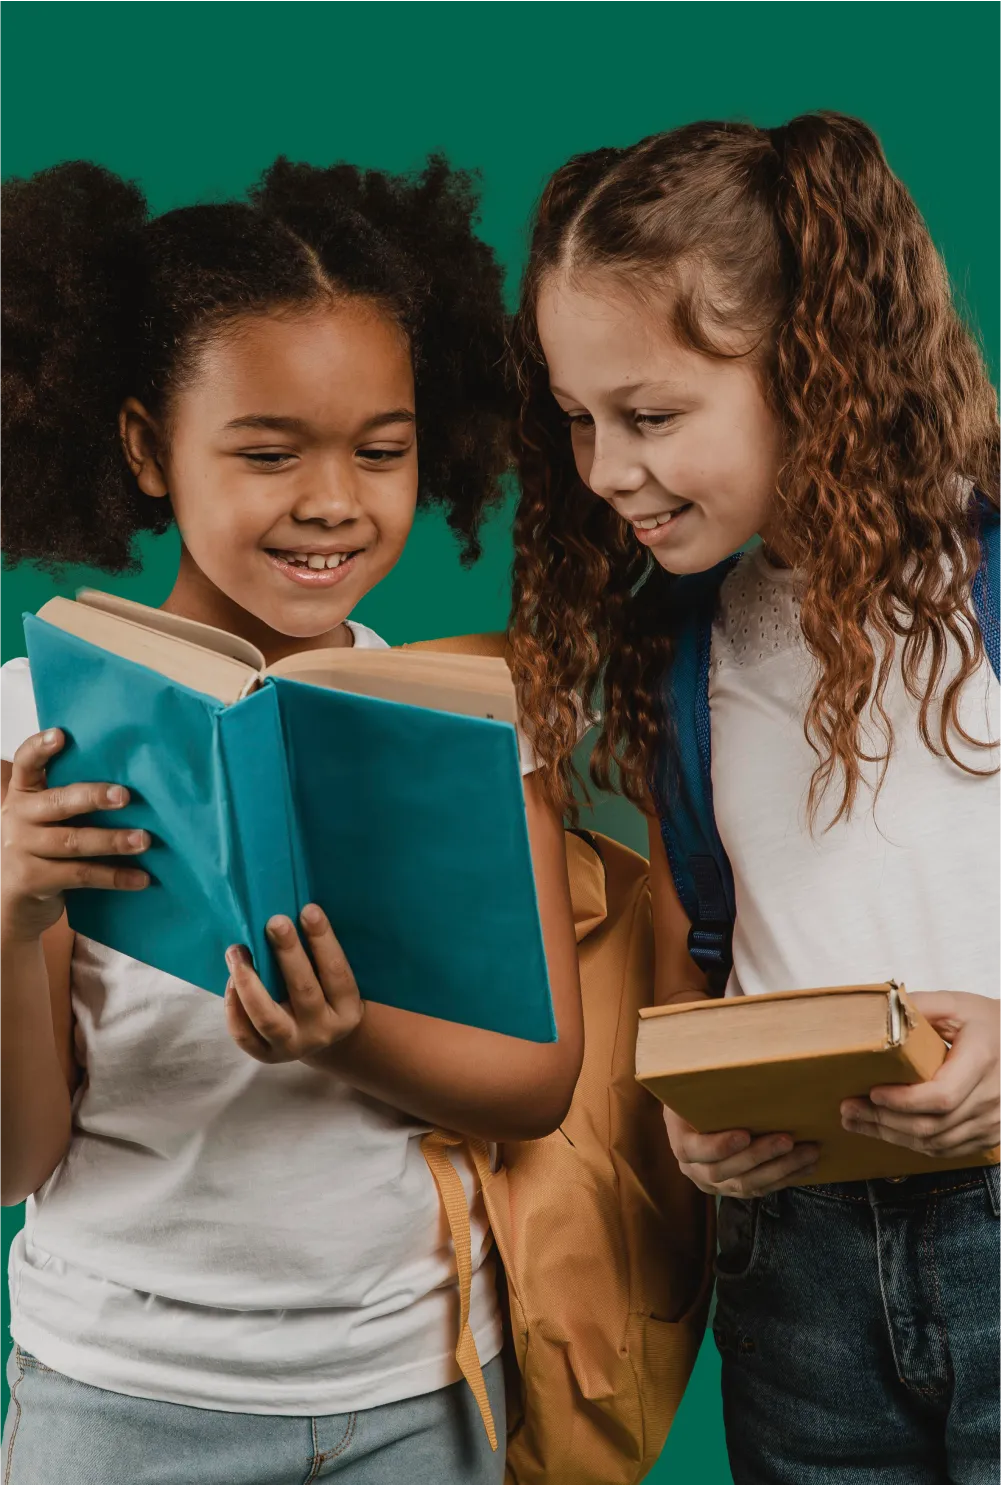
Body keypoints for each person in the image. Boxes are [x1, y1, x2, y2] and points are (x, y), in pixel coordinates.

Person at [0, 156, 582, 1485]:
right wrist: (8, 916)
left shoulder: (473, 722)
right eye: (268, 453)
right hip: (120, 1401)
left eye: (382, 450)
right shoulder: (32, 728)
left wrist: (346, 1036)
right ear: (147, 447)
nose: (333, 501)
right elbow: (16, 1159)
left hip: (421, 1391)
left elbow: (538, 1084)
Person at [506, 111, 1001, 1482]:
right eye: (581, 420)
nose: (607, 470)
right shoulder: (684, 648)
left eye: (653, 416)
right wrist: (700, 1115)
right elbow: (707, 960)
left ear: (816, 364)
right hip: (799, 1273)